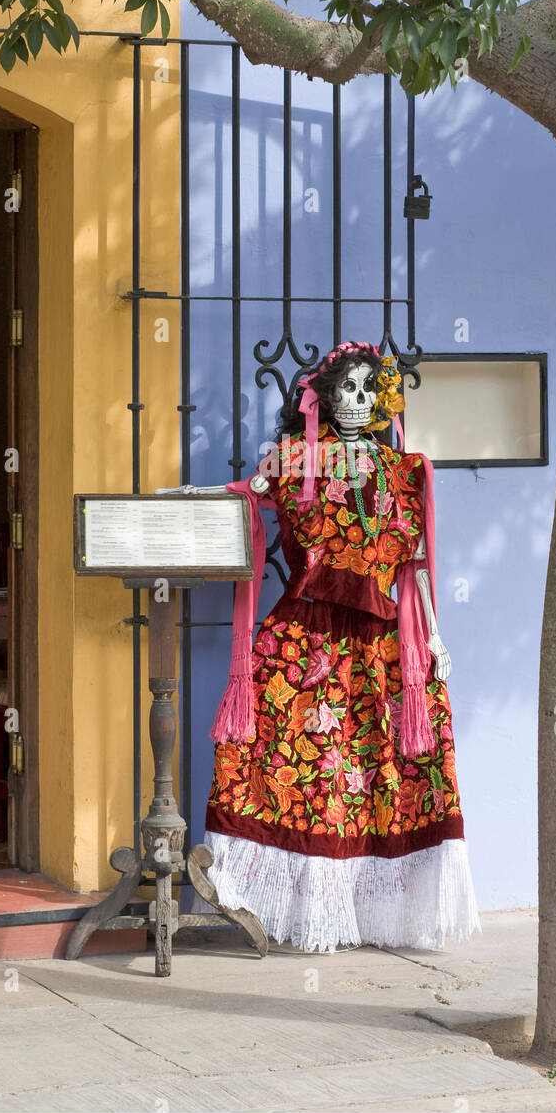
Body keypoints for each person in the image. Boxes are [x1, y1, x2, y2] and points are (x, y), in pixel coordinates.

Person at [203, 340, 481, 954]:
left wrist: (433, 635)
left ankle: (375, 914)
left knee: (377, 767)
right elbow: (240, 495)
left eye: (365, 389)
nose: (355, 400)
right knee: (306, 764)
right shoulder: (294, 460)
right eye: (343, 389)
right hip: (306, 636)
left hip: (384, 643)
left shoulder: (408, 471)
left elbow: (416, 567)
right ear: (322, 398)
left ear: (379, 400)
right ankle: (299, 909)